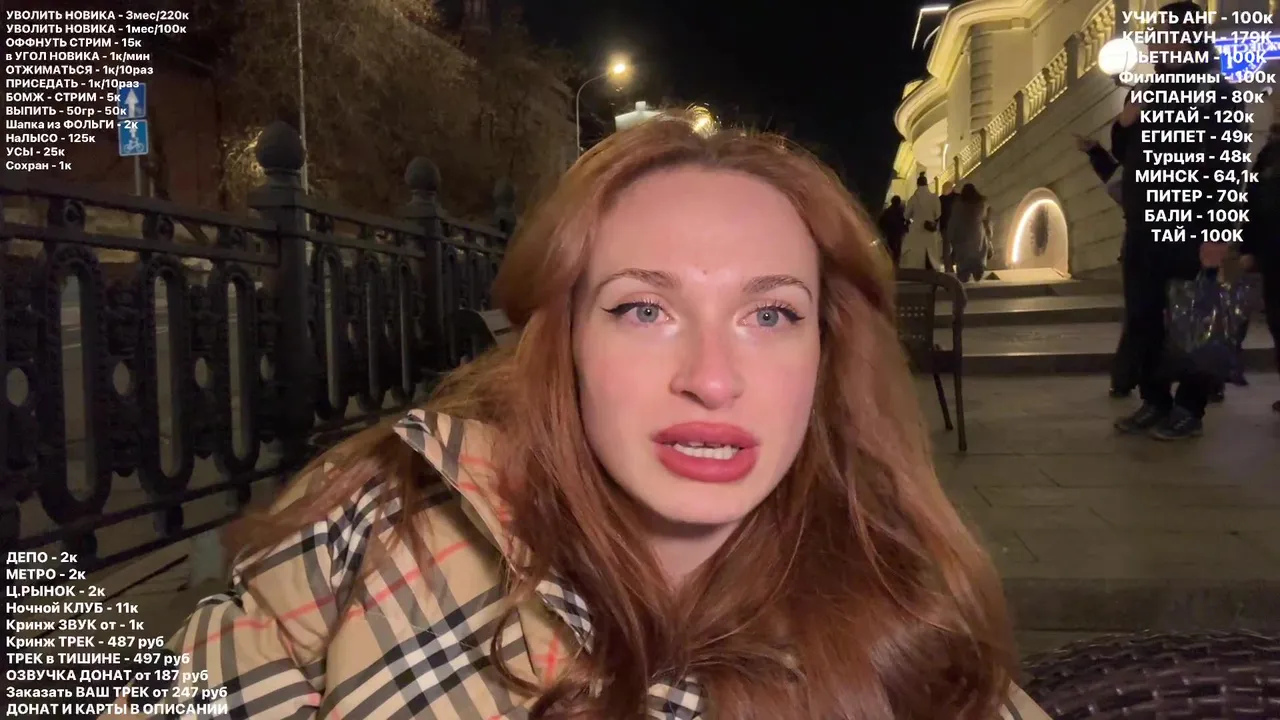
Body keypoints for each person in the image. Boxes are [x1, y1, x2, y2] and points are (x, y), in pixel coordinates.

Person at [101, 116, 1051, 719]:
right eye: (644, 309)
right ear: (566, 345)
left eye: (770, 316)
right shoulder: (385, 517)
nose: (711, 380)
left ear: (827, 355)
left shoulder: (905, 628)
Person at [1110, 0, 1248, 440]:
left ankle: (1190, 408)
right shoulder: (1149, 89)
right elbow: (1125, 155)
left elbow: (1229, 166)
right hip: (1144, 229)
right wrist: (1124, 124)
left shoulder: (1218, 92)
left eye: (1163, 32)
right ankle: (1155, 400)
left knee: (1195, 321)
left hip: (1191, 227)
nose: (1154, 40)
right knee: (1143, 318)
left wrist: (1219, 233)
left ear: (1188, 38)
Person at [1074, 131, 1140, 398]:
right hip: (1144, 242)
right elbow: (1122, 179)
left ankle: (1202, 381)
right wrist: (1097, 153)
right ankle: (1128, 378)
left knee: (1146, 316)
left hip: (1170, 242)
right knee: (1141, 315)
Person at [1240, 121, 1280, 414]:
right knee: (1277, 322)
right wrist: (1248, 247)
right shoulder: (1268, 154)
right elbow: (1252, 202)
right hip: (1272, 254)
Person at [946, 183, 993, 282]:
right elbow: (987, 222)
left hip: (962, 239)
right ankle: (978, 272)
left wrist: (950, 237)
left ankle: (964, 278)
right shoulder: (982, 205)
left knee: (963, 268)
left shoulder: (958, 206)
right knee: (978, 261)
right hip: (978, 237)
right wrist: (989, 236)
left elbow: (953, 223)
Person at [902, 172, 944, 270]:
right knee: (931, 253)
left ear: (917, 185)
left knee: (917, 256)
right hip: (930, 229)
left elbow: (906, 215)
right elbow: (938, 214)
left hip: (916, 229)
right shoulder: (934, 197)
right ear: (926, 184)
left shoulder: (913, 198)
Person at [877, 194, 908, 265]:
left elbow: (881, 222)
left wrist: (883, 230)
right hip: (898, 232)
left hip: (890, 232)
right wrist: (905, 228)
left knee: (890, 246)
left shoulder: (887, 211)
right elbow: (905, 221)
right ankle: (895, 261)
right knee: (897, 247)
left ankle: (890, 260)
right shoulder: (902, 212)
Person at [939, 180, 959, 271]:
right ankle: (953, 265)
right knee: (956, 247)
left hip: (945, 227)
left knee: (946, 249)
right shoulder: (958, 198)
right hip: (956, 227)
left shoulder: (940, 199)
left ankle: (948, 269)